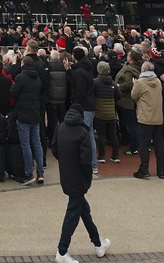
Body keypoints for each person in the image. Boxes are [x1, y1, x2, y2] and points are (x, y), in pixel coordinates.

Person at [50, 103, 111, 263]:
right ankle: (62, 251)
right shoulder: (83, 132)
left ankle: (98, 244)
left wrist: (65, 162)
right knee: (72, 214)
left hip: (66, 176)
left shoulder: (60, 128)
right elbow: (86, 161)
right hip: (79, 179)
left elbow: (54, 149)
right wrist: (86, 178)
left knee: (83, 210)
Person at [11, 54, 44, 185]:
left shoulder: (20, 77)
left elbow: (13, 93)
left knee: (26, 145)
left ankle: (29, 173)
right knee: (37, 143)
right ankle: (40, 172)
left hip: (24, 113)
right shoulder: (37, 78)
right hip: (35, 112)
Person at [132, 62, 164, 179]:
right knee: (159, 145)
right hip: (158, 117)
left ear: (144, 70)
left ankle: (144, 169)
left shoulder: (140, 83)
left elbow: (133, 96)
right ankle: (161, 170)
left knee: (144, 145)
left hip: (145, 118)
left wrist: (134, 85)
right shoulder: (158, 82)